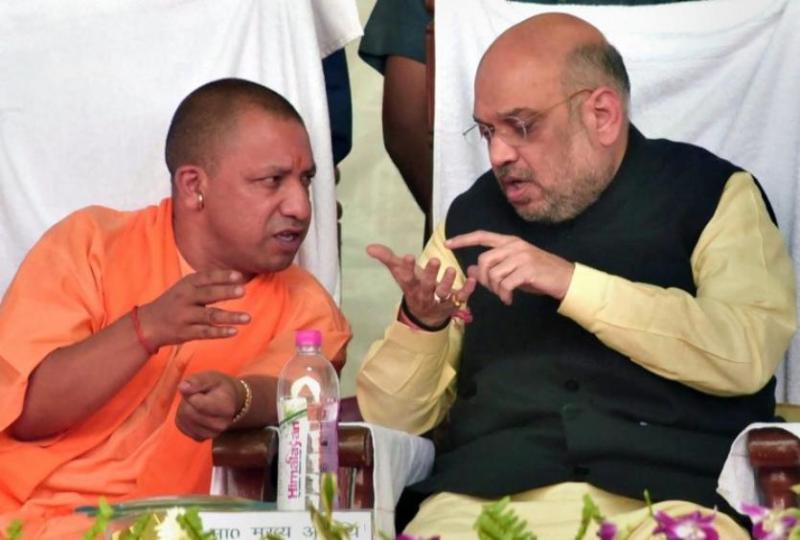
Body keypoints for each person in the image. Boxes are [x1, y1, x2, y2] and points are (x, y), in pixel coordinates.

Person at [357, 13, 796, 539]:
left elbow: (745, 353)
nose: (498, 154)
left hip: (667, 506)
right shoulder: (469, 219)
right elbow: (390, 422)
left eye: (522, 126)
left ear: (602, 114)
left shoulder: (711, 194)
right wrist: (422, 323)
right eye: (488, 131)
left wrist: (571, 283)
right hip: (478, 505)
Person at [0, 78, 351, 538]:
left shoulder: (305, 305)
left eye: (305, 180)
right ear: (193, 186)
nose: (301, 207)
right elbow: (25, 413)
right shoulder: (91, 245)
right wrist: (146, 329)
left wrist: (238, 399)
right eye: (273, 181)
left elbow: (294, 389)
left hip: (166, 528)